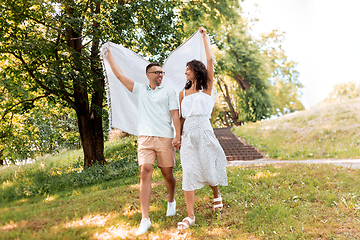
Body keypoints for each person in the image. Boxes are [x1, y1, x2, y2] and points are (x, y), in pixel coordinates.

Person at [106, 49, 181, 236]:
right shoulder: (140, 89)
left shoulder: (169, 91)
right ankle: (145, 219)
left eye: (162, 72)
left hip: (164, 136)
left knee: (167, 174)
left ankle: (171, 199)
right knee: (145, 171)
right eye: (157, 72)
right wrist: (108, 57)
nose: (160, 75)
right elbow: (119, 76)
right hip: (145, 138)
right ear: (148, 75)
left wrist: (177, 136)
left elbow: (175, 114)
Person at [177, 26, 228, 230]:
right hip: (188, 132)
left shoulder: (206, 87)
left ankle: (216, 194)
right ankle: (190, 215)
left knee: (207, 165)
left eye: (188, 69)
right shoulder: (182, 94)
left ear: (196, 70)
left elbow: (210, 61)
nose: (185, 72)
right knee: (188, 170)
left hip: (204, 130)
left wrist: (205, 37)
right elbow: (180, 118)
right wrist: (177, 136)